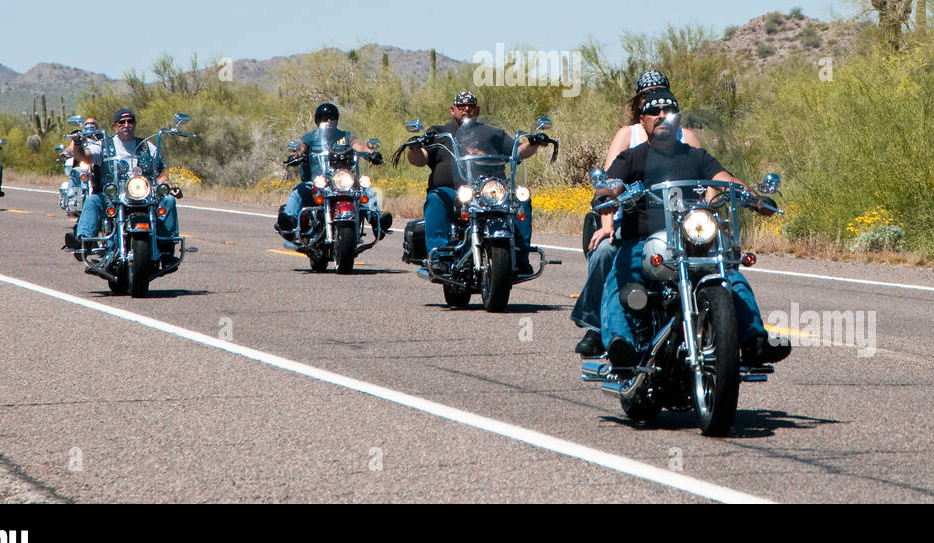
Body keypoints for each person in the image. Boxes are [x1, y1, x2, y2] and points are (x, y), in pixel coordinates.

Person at [593, 90, 790, 370]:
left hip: (693, 239)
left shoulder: (697, 157)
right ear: (643, 120)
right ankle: (620, 345)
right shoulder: (632, 158)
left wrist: (751, 197)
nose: (661, 115)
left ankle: (754, 341)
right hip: (645, 241)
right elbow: (612, 182)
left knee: (730, 275)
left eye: (668, 110)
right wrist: (606, 195)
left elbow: (724, 179)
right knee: (619, 276)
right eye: (654, 111)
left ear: (677, 120)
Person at [573, 71, 703, 356]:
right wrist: (607, 223)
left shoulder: (687, 136)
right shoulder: (627, 135)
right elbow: (608, 182)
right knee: (606, 251)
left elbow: (704, 180)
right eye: (648, 97)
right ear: (639, 103)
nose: (657, 105)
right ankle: (597, 327)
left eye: (662, 95)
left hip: (680, 222)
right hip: (628, 219)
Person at [407, 91, 549, 274]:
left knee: (522, 198)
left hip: (489, 191)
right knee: (436, 198)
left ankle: (520, 256)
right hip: (453, 192)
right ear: (452, 110)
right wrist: (414, 147)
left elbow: (517, 151)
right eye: (461, 105)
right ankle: (438, 257)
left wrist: (534, 142)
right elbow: (419, 159)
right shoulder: (438, 133)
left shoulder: (492, 133)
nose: (466, 108)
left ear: (478, 110)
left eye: (471, 105)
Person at [65, 109, 179, 260]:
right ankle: (84, 242)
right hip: (112, 196)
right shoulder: (105, 145)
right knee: (93, 200)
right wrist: (77, 143)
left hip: (142, 195)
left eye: (130, 121)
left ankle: (167, 247)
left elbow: (160, 174)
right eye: (122, 122)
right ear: (115, 126)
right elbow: (82, 156)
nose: (126, 125)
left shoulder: (147, 146)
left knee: (169, 200)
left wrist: (170, 187)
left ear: (135, 124)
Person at [276, 102, 388, 241]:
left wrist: (370, 152)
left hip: (343, 182)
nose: (329, 121)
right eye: (324, 118)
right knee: (298, 191)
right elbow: (300, 147)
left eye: (332, 117)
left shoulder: (345, 136)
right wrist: (296, 155)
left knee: (366, 190)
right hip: (318, 182)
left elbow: (358, 146)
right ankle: (289, 222)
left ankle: (378, 222)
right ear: (318, 120)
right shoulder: (310, 138)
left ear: (337, 119)